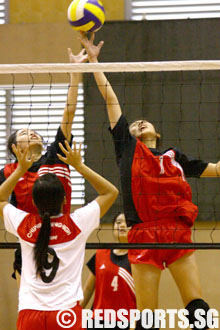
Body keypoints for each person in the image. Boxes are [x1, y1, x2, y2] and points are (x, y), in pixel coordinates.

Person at [79, 32, 218, 330]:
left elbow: (215, 169)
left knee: (197, 306)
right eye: (135, 123)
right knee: (147, 315)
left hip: (176, 230)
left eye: (146, 122)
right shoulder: (127, 149)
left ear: (157, 133)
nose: (139, 122)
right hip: (142, 232)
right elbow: (111, 99)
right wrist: (93, 63)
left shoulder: (173, 155)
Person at [0, 140, 118, 330]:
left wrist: (21, 170)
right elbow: (110, 192)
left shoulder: (23, 223)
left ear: (34, 202)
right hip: (66, 315)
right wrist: (79, 165)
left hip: (30, 315)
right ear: (64, 199)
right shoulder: (77, 223)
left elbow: (0, 198)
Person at [0, 47, 88, 284]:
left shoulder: (55, 157)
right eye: (25, 133)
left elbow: (68, 113)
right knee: (31, 300)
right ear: (14, 147)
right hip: (29, 240)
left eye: (34, 131)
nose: (32, 133)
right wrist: (19, 170)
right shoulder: (7, 174)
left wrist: (75, 73)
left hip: (64, 235)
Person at [82, 213, 136, 330]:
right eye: (118, 222)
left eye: (127, 223)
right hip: (97, 320)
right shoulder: (101, 253)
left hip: (126, 322)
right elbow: (88, 289)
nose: (122, 225)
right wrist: (75, 313)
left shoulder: (139, 258)